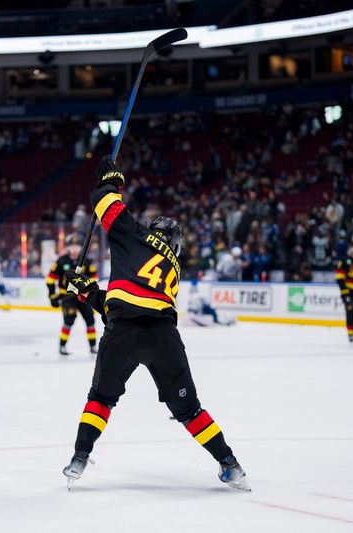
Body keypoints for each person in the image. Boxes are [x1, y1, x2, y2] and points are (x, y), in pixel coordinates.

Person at [61, 157, 249, 491]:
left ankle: (79, 456)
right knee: (190, 410)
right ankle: (230, 464)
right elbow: (136, 297)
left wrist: (111, 178)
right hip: (163, 337)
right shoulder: (174, 267)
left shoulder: (135, 236)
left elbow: (104, 202)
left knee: (101, 399)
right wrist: (90, 292)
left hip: (122, 331)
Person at [46, 234, 98, 356]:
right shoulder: (61, 262)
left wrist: (91, 292)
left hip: (84, 296)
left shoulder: (87, 261)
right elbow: (50, 279)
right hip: (67, 297)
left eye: (77, 246)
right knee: (68, 321)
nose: (74, 249)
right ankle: (62, 346)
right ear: (68, 248)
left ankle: (93, 346)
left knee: (90, 320)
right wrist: (52, 295)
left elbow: (95, 278)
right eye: (72, 246)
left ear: (81, 248)